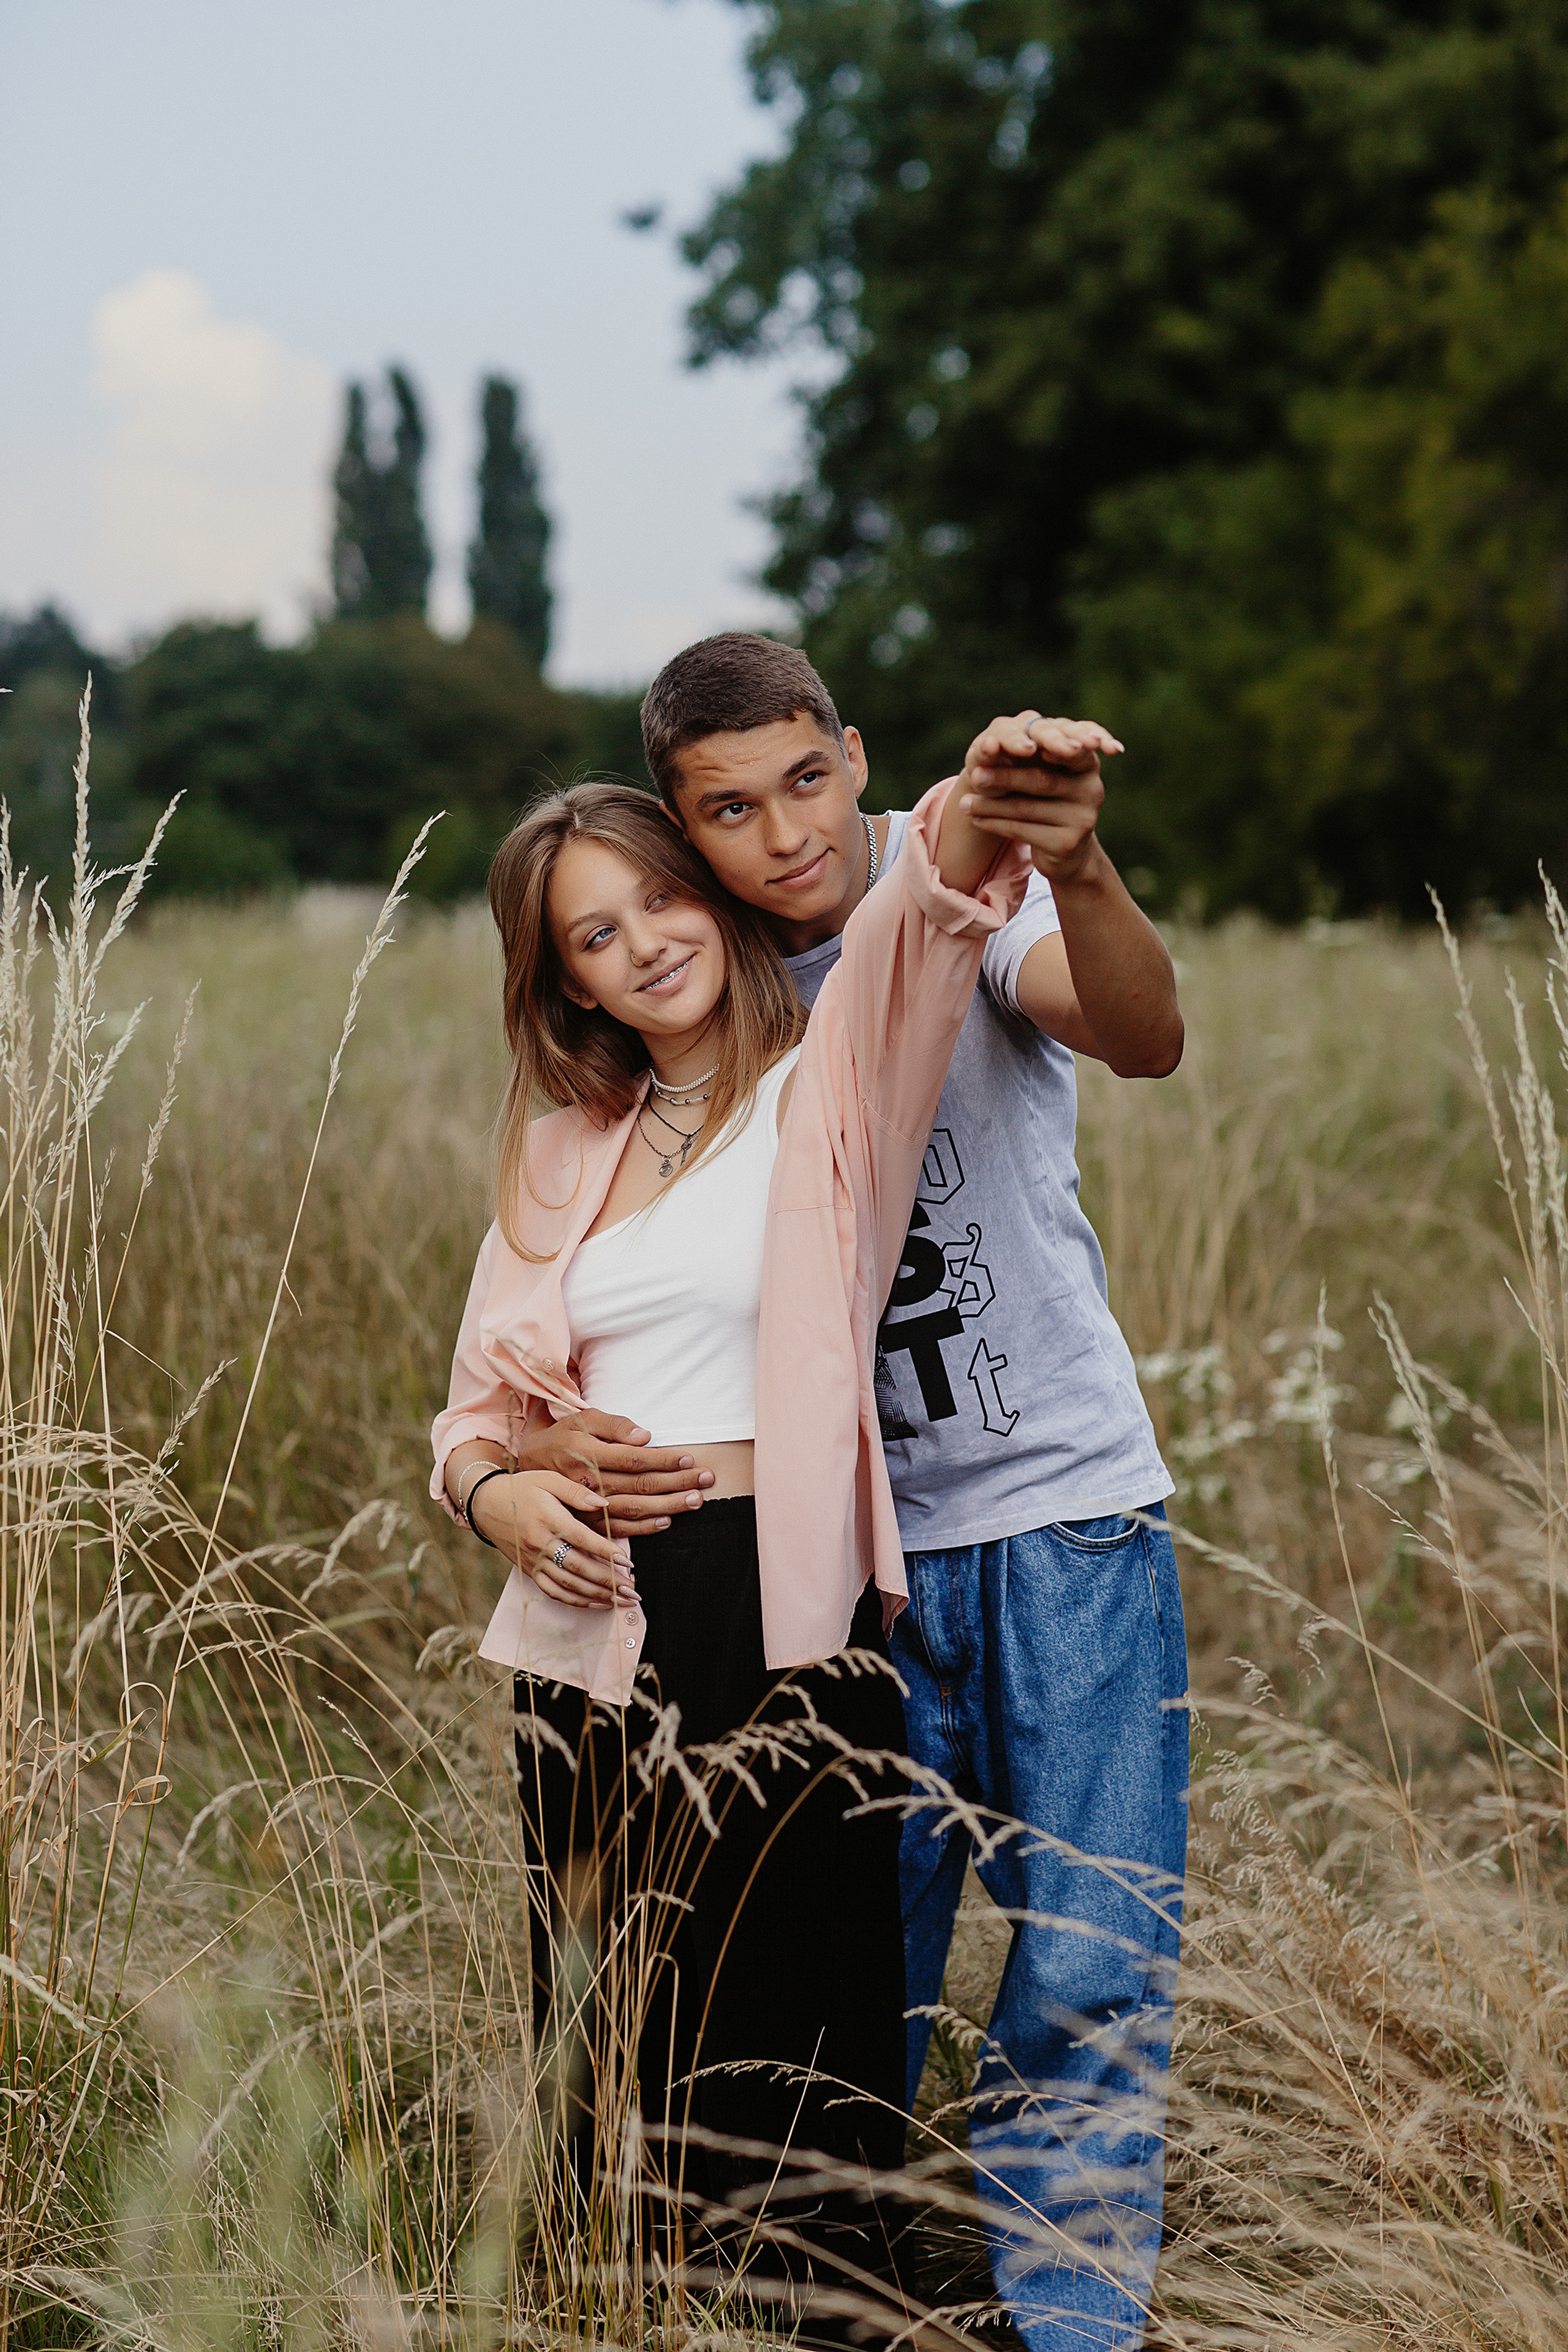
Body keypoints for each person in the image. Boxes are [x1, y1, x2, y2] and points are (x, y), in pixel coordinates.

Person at [618, 635, 1189, 2352]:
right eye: (729, 808)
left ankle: (1068, 2318)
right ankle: (852, 2287)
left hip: (1061, 1512)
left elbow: (1140, 1032)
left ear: (853, 753)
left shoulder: (963, 878)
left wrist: (1074, 857)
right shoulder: (693, 977)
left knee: (1090, 1944)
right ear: (681, 824)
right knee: (857, 1968)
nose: (785, 833)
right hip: (843, 1564)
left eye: (806, 778)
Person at [430, 766, 1036, 2337]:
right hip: (584, 1623)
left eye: (656, 896)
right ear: (560, 978)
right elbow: (470, 1420)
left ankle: (809, 2320)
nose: (638, 946)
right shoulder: (568, 1148)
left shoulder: (831, 1073)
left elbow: (924, 908)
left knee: (791, 2023)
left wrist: (984, 784)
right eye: (590, 937)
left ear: (711, 884)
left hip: (776, 1603)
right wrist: (502, 1494)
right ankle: (611, 2310)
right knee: (601, 2005)